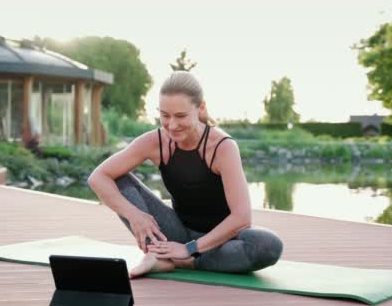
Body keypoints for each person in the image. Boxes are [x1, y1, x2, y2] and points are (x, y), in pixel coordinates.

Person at [88, 71, 283, 278]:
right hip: (176, 233)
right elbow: (98, 177)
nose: (172, 125)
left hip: (222, 241)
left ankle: (179, 261)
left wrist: (188, 250)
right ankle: (162, 254)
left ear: (201, 108)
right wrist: (133, 215)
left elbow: (241, 219)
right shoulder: (155, 142)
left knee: (268, 245)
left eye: (180, 116)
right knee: (117, 178)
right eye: (165, 115)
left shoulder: (222, 147)